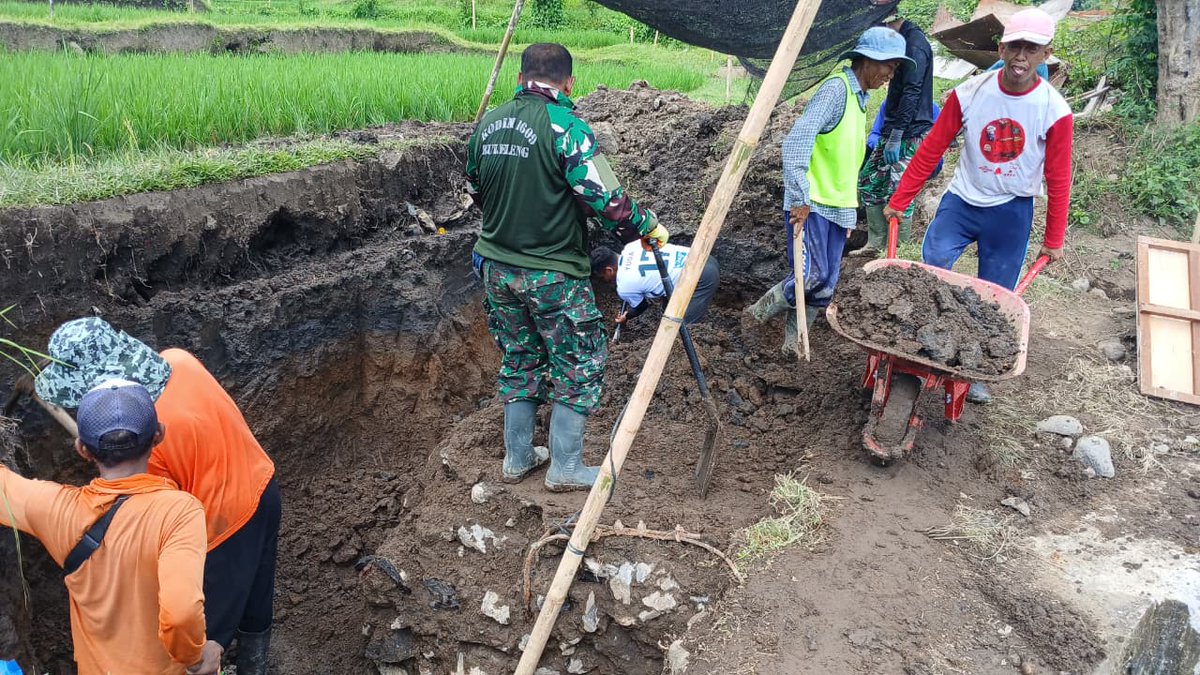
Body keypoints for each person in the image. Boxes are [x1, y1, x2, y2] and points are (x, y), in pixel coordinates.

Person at [467, 43, 666, 492]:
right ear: (568, 83)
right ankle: (566, 468)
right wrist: (646, 226)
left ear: (520, 79)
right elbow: (608, 202)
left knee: (521, 357)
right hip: (551, 272)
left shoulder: (488, 126)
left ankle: (518, 458)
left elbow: (478, 187)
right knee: (579, 361)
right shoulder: (567, 128)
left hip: (497, 267)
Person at [35, 318, 281, 674]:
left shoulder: (150, 447)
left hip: (224, 526)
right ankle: (255, 666)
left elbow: (154, 526)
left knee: (200, 641)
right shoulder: (176, 359)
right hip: (263, 482)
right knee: (256, 595)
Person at [885, 7, 1073, 404]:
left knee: (995, 293)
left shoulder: (1054, 111)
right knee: (931, 270)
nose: (1022, 56)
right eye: (1015, 46)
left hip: (1010, 212)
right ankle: (919, 347)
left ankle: (975, 371)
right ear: (1002, 48)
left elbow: (1058, 179)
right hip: (962, 201)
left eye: (1032, 49)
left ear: (1046, 54)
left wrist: (1053, 239)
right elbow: (932, 148)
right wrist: (901, 198)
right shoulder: (969, 93)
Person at [0, 380, 220, 675]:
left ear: (82, 449)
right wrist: (195, 655)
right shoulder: (179, 512)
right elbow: (180, 614)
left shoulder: (56, 510)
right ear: (159, 435)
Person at [745, 27, 912, 352]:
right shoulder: (837, 91)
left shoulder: (860, 100)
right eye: (888, 65)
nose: (891, 74)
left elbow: (845, 158)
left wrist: (848, 214)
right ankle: (757, 314)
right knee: (810, 277)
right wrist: (798, 197)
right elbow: (797, 141)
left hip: (836, 208)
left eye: (894, 67)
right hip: (813, 204)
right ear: (867, 59)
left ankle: (794, 343)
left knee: (824, 286)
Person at [854, 12, 936, 257]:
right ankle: (876, 243)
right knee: (869, 181)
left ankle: (898, 251)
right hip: (892, 129)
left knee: (900, 190)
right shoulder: (903, 40)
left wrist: (898, 134)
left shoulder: (915, 45)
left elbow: (912, 92)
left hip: (910, 132)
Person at [589, 241, 720, 327]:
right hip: (703, 256)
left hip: (702, 277)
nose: (605, 280)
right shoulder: (631, 247)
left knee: (685, 330)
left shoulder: (624, 286)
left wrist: (626, 316)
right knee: (665, 296)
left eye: (603, 277)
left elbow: (642, 306)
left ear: (609, 270)